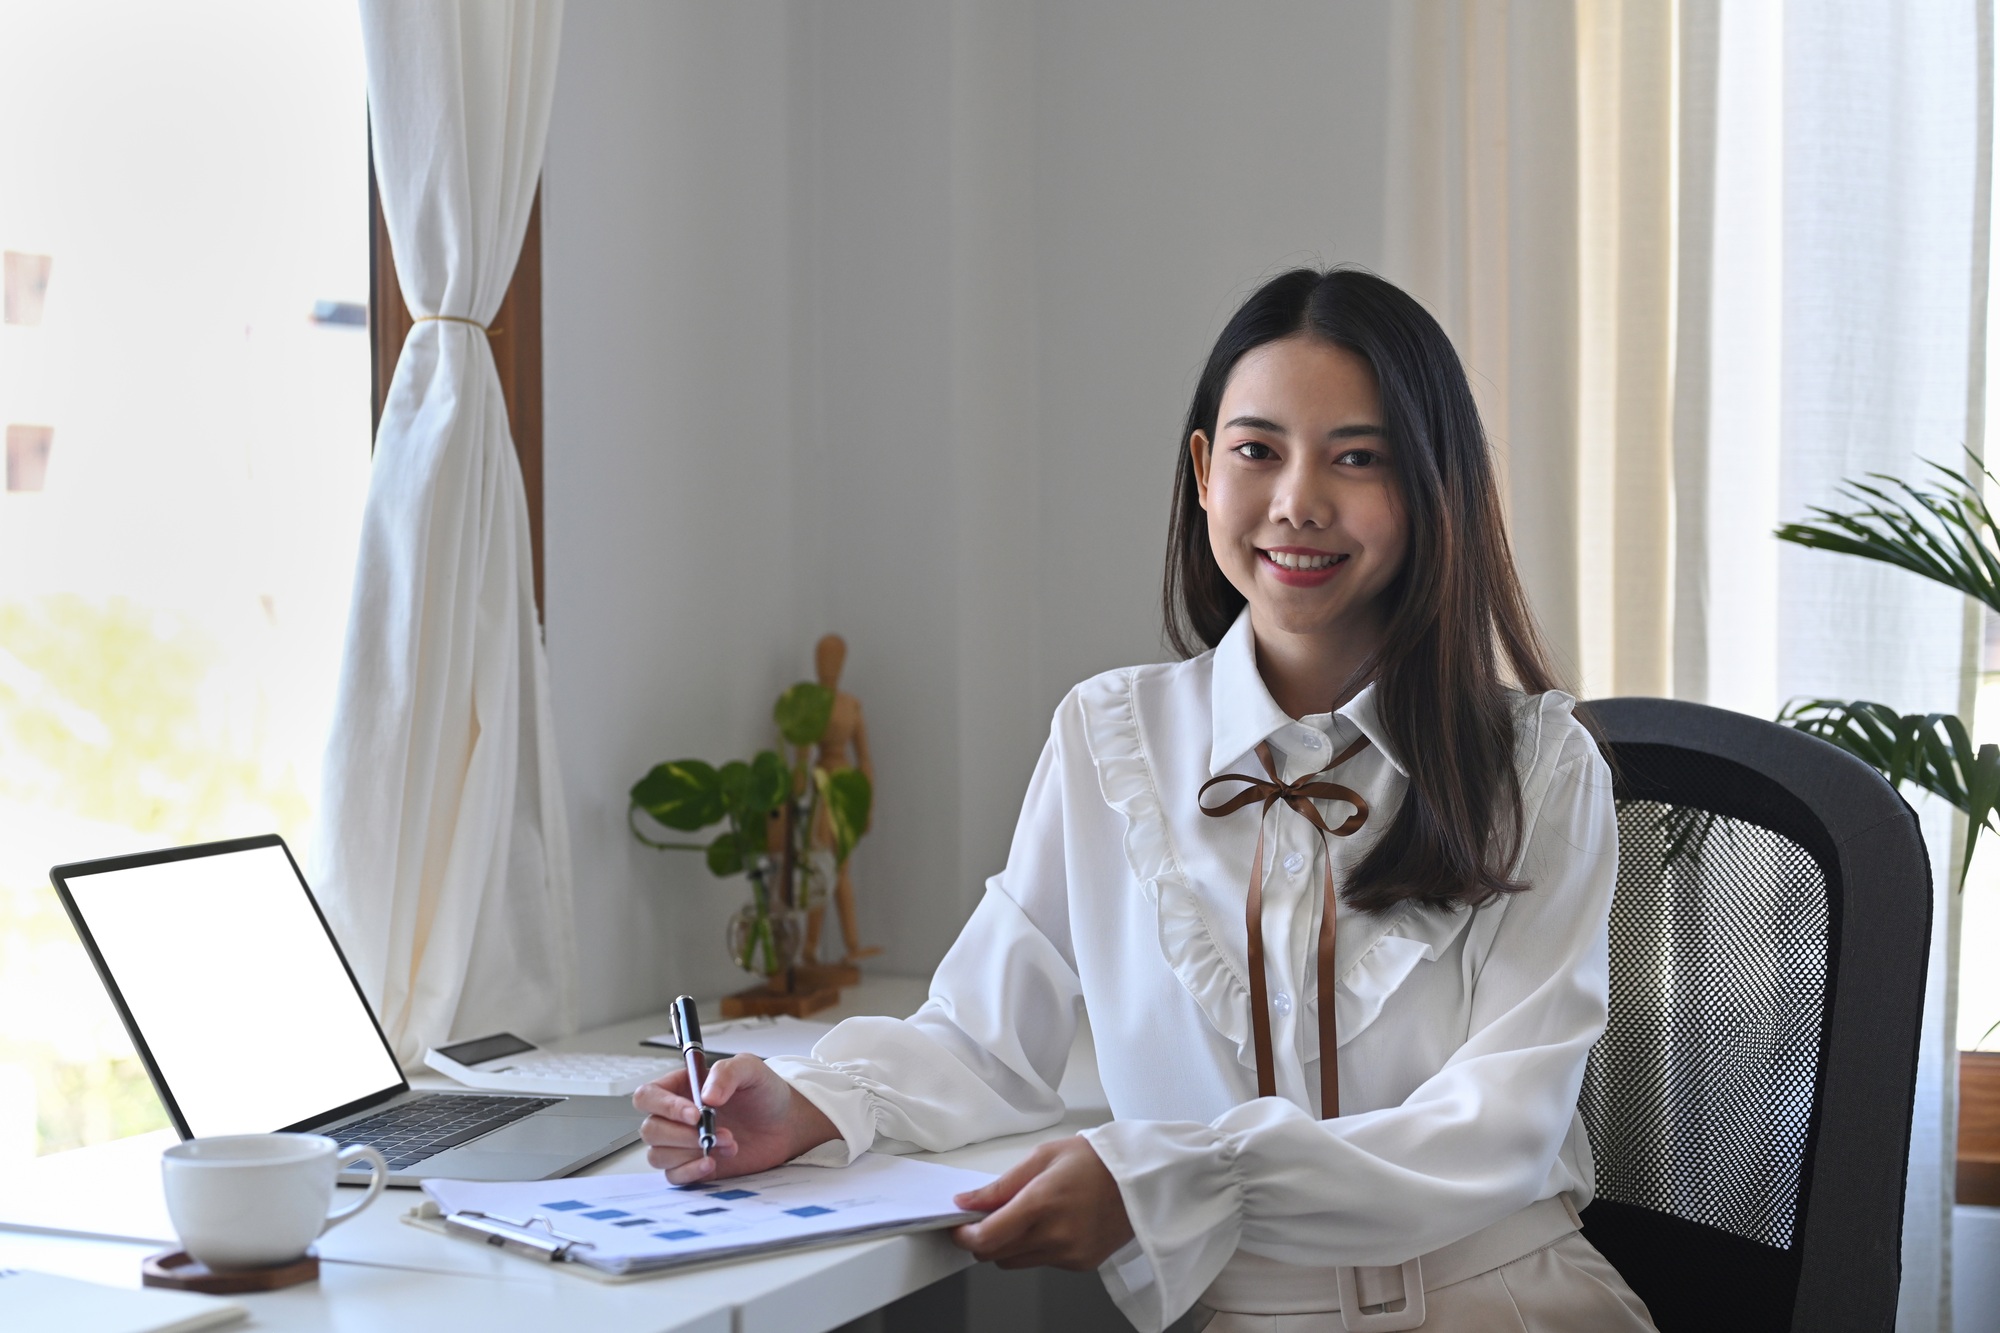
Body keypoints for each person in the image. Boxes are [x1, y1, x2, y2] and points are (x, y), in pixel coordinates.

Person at [635, 268, 1656, 1332]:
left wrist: (1170, 1180)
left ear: (1431, 488)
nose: (1296, 502)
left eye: (1356, 458)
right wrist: (806, 1105)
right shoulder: (1106, 737)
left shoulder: (1535, 765)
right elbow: (985, 1037)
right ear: (1203, 473)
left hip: (1499, 1300)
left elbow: (1499, 1128)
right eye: (1257, 451)